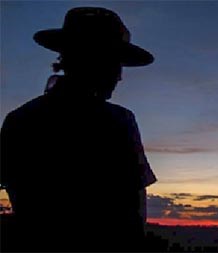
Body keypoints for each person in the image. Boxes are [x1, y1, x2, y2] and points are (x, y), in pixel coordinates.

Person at [0, 7, 157, 252]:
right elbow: (133, 218)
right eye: (115, 65)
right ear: (97, 62)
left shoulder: (18, 119)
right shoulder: (118, 122)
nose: (120, 77)